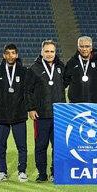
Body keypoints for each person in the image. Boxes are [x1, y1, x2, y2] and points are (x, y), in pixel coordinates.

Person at [26, 40, 66, 182]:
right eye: (47, 51)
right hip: (41, 115)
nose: (49, 54)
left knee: (58, 146)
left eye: (52, 51)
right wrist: (31, 108)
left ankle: (55, 172)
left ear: (55, 52)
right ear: (42, 52)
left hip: (58, 114)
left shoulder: (61, 67)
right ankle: (42, 173)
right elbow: (28, 91)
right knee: (41, 146)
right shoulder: (34, 69)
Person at [0, 44, 29, 182]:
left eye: (13, 53)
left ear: (17, 55)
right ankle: (2, 172)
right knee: (1, 146)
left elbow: (30, 91)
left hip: (19, 115)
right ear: (3, 55)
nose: (10, 56)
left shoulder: (24, 72)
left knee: (22, 146)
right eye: (8, 53)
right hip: (1, 115)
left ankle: (22, 171)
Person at [64, 35, 97, 103]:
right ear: (78, 48)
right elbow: (64, 81)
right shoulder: (72, 62)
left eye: (87, 46)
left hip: (96, 103)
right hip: (76, 104)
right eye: (81, 46)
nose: (84, 49)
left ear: (91, 48)